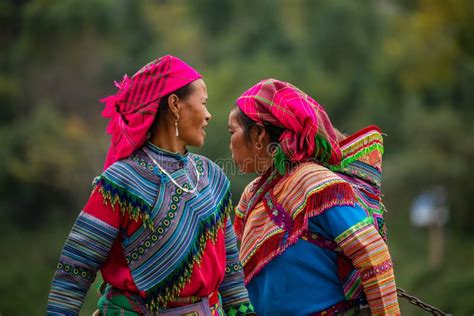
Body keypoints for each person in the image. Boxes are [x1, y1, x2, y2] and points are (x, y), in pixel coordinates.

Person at [47, 55, 254, 315]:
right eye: (203, 103)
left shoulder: (212, 176)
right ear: (175, 104)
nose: (209, 115)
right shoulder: (120, 182)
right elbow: (75, 267)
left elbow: (232, 272)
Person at [228, 78, 400, 315]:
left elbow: (372, 254)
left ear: (258, 133)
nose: (230, 142)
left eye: (232, 131)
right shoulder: (252, 194)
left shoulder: (315, 183)